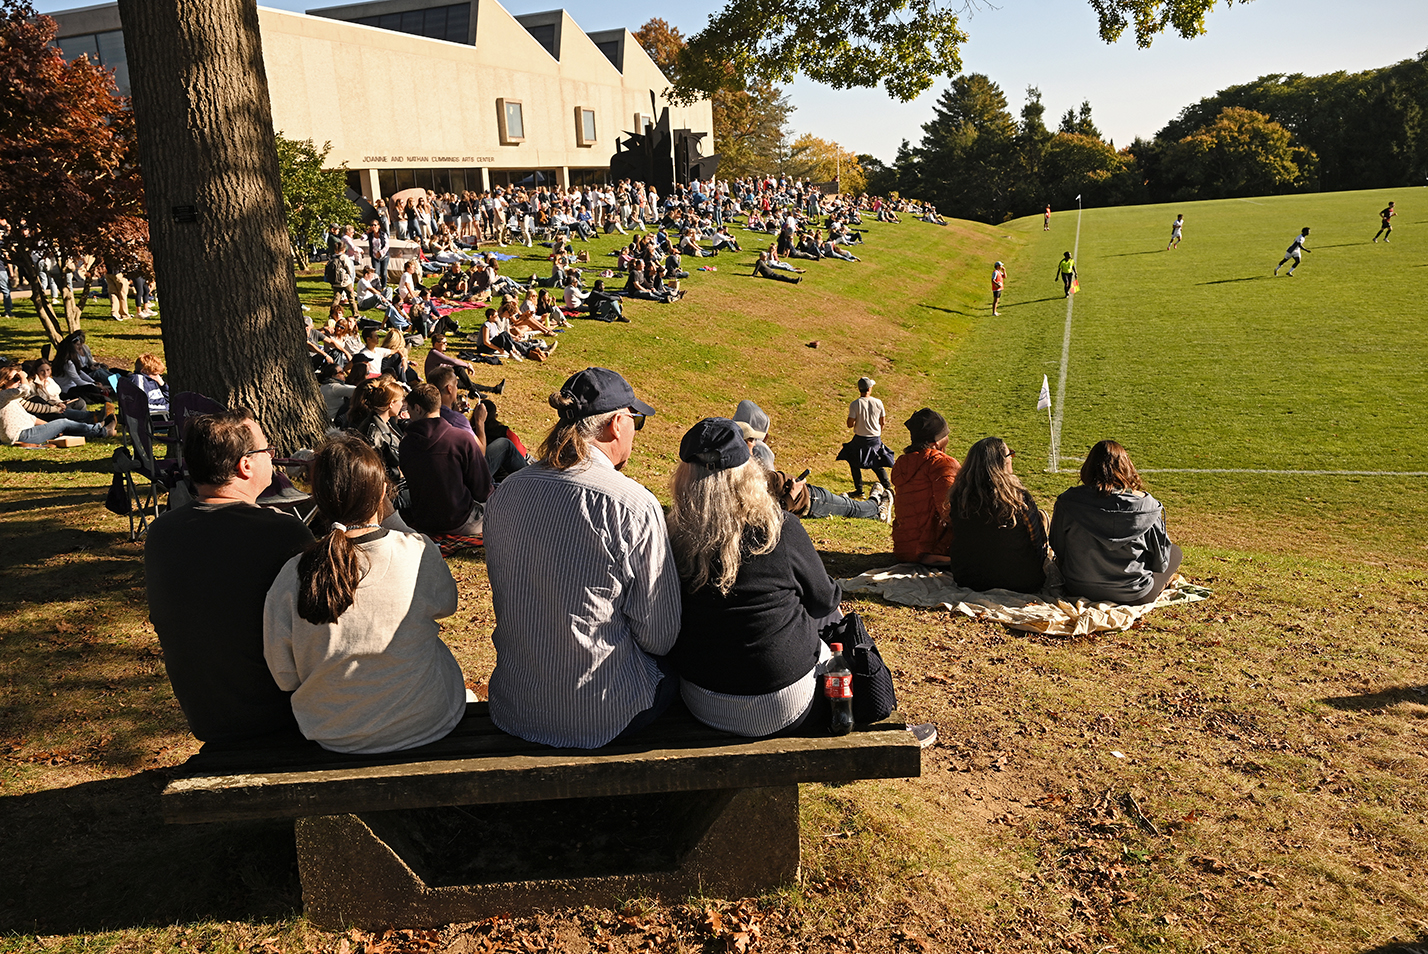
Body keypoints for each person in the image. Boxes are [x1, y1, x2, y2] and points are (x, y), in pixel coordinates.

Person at [482, 367, 681, 748]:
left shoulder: (507, 492)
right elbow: (660, 637)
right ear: (617, 425)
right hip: (603, 716)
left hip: (515, 703)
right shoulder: (632, 504)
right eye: (636, 420)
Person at [262, 434, 466, 754]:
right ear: (383, 492)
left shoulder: (293, 574)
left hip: (334, 733)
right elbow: (446, 605)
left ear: (319, 498)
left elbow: (285, 677)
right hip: (427, 722)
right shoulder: (417, 552)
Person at [144, 408, 315, 746]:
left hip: (209, 718)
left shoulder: (162, 532)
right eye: (267, 449)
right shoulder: (282, 533)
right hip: (282, 717)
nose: (272, 456)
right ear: (246, 464)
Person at [665, 418, 842, 737]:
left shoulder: (671, 534)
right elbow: (823, 602)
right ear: (749, 473)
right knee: (833, 615)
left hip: (703, 700)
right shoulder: (780, 529)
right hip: (784, 704)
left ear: (685, 476)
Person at [1049, 440, 1182, 605]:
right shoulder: (1147, 506)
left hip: (1077, 587)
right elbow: (1160, 563)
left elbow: (1058, 547)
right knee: (1174, 552)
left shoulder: (1068, 501)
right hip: (1135, 593)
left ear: (1089, 467)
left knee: (1174, 552)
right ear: (1126, 466)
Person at [946, 437, 1048, 593]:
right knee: (1042, 517)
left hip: (968, 578)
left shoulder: (960, 496)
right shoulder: (1018, 498)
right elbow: (1038, 543)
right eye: (1010, 455)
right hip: (1021, 580)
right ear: (1003, 462)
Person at [398, 382, 491, 537]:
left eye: (408, 409)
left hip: (424, 520)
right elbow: (483, 490)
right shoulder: (461, 438)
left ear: (418, 409)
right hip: (461, 521)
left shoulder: (406, 444)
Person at [890, 409, 960, 565]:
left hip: (903, 549)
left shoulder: (902, 463)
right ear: (936, 442)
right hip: (930, 549)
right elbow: (951, 512)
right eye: (946, 435)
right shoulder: (942, 464)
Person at [0, 365, 115, 445]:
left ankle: (97, 421)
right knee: (63, 422)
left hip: (27, 431)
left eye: (18, 379)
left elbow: (31, 416)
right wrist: (23, 377)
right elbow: (25, 390)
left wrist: (50, 427)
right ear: (3, 382)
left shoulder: (12, 398)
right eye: (15, 379)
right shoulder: (2, 396)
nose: (19, 381)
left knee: (62, 422)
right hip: (20, 436)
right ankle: (102, 430)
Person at [836, 376, 893, 498]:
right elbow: (882, 421)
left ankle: (859, 490)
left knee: (853, 462)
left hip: (860, 439)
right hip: (875, 438)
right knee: (877, 463)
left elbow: (849, 424)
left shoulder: (855, 404)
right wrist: (878, 433)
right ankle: (888, 487)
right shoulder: (878, 402)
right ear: (870, 388)